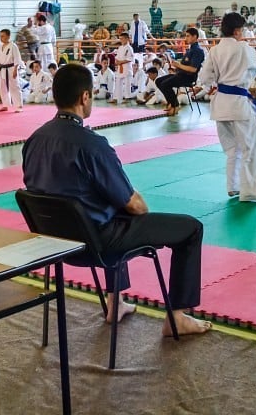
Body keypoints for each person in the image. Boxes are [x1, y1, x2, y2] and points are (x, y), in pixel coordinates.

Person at [22, 64, 210, 335]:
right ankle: (177, 316)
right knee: (190, 228)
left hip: (54, 243)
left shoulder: (34, 140)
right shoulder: (91, 144)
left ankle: (116, 302)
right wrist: (141, 212)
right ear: (85, 97)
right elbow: (133, 204)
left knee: (103, 210)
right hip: (96, 243)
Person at [198, 13, 256, 203]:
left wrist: (218, 82)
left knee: (232, 150)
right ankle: (250, 192)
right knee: (251, 148)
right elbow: (253, 72)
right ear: (237, 30)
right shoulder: (244, 49)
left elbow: (205, 78)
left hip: (220, 105)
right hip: (238, 105)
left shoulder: (214, 50)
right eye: (242, 30)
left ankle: (233, 186)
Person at [156, 28, 205, 116]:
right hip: (181, 74)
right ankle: (171, 102)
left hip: (188, 77)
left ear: (195, 37)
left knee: (165, 84)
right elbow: (183, 66)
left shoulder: (198, 51)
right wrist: (175, 65)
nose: (186, 38)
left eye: (188, 36)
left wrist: (179, 65)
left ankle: (176, 106)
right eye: (186, 36)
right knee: (158, 81)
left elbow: (193, 69)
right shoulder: (190, 50)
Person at [0, 28, 24, 113]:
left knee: (14, 86)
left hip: (11, 68)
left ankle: (19, 105)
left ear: (8, 36)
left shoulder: (13, 46)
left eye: (3, 36)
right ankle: (5, 105)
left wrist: (15, 69)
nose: (1, 38)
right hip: (2, 69)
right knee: (3, 87)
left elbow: (17, 58)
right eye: (0, 36)